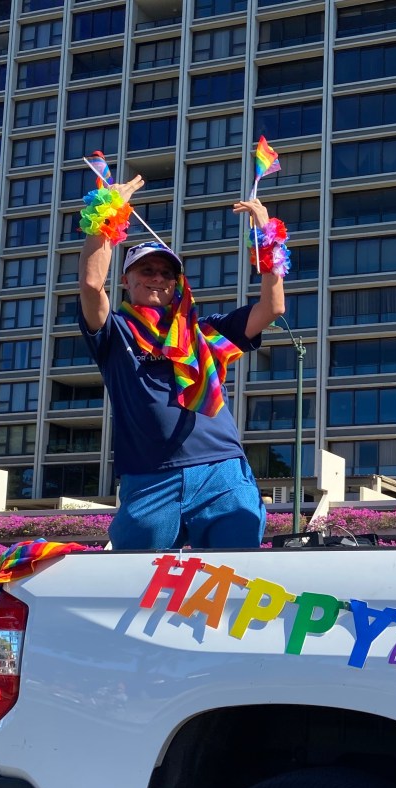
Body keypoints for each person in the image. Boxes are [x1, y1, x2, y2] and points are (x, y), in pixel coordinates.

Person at [76, 175, 286, 550]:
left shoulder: (205, 331)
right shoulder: (114, 330)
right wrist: (107, 214)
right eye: (146, 271)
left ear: (177, 283)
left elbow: (272, 307)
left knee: (234, 583)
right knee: (138, 590)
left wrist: (267, 234)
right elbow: (92, 284)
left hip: (222, 471)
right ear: (127, 280)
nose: (157, 278)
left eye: (166, 274)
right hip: (149, 476)